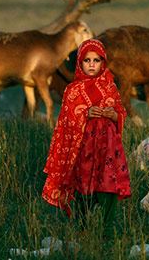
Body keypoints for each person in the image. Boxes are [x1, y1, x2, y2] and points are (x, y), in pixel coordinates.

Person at [42, 38, 131, 233]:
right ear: (80, 63)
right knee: (84, 185)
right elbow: (65, 121)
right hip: (84, 146)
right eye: (87, 60)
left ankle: (107, 230)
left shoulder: (110, 87)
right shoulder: (72, 90)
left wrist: (113, 115)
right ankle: (82, 228)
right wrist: (85, 113)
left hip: (109, 146)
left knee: (109, 183)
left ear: (103, 62)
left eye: (96, 60)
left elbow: (121, 113)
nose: (91, 65)